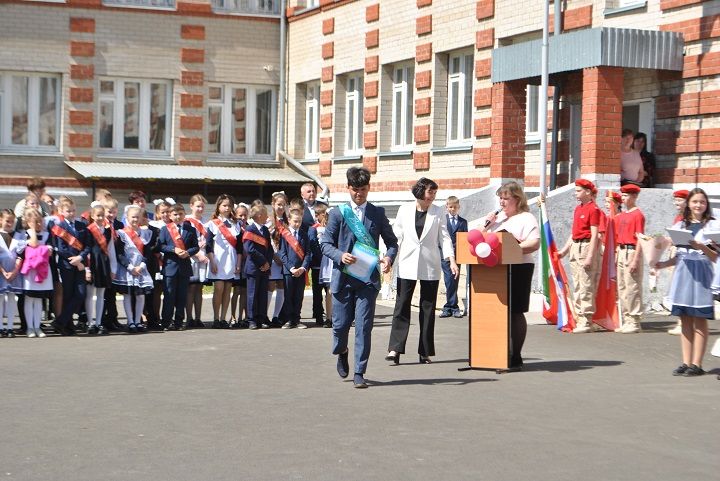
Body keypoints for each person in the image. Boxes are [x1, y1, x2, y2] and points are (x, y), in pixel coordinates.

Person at [321, 167, 398, 388]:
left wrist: (388, 258)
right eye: (355, 190)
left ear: (369, 188)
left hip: (367, 280)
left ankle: (359, 372)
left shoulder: (377, 213)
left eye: (363, 190)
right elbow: (325, 244)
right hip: (343, 279)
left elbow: (392, 243)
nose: (359, 194)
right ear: (348, 188)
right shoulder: (337, 213)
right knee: (340, 326)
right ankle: (342, 350)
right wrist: (340, 255)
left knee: (364, 327)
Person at [386, 178, 458, 365]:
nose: (432, 196)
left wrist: (451, 260)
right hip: (407, 263)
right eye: (430, 192)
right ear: (419, 192)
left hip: (430, 265)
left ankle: (425, 351)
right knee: (401, 306)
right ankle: (395, 349)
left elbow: (445, 237)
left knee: (427, 308)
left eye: (434, 193)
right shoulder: (404, 209)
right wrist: (389, 258)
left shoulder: (438, 211)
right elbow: (397, 236)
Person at [653, 188, 719, 377]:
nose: (698, 205)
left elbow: (716, 257)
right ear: (688, 204)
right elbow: (680, 256)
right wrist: (663, 263)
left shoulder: (712, 226)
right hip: (683, 274)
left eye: (702, 202)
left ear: (707, 205)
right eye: (695, 201)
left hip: (702, 273)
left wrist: (701, 247)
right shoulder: (681, 225)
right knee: (684, 320)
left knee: (699, 320)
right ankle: (686, 361)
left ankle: (697, 364)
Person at [482, 182, 540, 369]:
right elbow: (480, 243)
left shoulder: (526, 218)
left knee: (515, 311)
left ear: (517, 199)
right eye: (500, 197)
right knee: (497, 311)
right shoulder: (497, 220)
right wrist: (487, 225)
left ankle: (515, 355)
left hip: (519, 267)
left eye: (506, 198)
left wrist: (511, 248)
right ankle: (496, 353)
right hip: (497, 269)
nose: (502, 201)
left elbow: (534, 243)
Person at [558, 179, 602, 333]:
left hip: (586, 246)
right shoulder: (578, 209)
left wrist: (590, 255)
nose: (576, 193)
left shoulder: (593, 209)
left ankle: (587, 320)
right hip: (576, 246)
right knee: (577, 284)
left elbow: (595, 233)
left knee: (586, 285)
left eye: (578, 191)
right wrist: (564, 250)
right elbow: (574, 233)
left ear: (588, 192)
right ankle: (579, 317)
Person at [48, 197, 89, 336]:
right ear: (61, 211)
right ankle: (68, 326)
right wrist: (74, 260)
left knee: (81, 294)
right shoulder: (60, 227)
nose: (71, 213)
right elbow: (60, 248)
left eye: (73, 210)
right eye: (68, 211)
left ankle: (59, 321)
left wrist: (81, 258)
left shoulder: (82, 226)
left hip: (79, 264)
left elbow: (88, 245)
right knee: (68, 295)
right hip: (66, 265)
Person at [113, 206, 155, 333]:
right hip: (127, 269)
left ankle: (138, 321)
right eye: (133, 217)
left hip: (141, 268)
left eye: (138, 217)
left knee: (141, 296)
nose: (135, 219)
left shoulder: (146, 234)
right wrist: (130, 267)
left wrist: (141, 266)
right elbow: (119, 254)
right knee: (128, 295)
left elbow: (147, 253)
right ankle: (130, 321)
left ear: (142, 218)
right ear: (126, 218)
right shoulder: (121, 233)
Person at [158, 204, 199, 331]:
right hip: (170, 267)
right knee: (169, 296)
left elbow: (196, 246)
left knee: (182, 296)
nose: (178, 217)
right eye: (175, 214)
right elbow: (161, 246)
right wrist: (173, 249)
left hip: (184, 267)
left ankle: (179, 321)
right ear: (170, 215)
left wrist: (188, 252)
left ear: (184, 214)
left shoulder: (190, 229)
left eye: (180, 214)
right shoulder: (165, 229)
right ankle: (166, 322)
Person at [206, 194, 242, 329]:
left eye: (229, 205)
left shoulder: (236, 224)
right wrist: (212, 261)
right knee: (219, 288)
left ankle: (223, 318)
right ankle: (215, 317)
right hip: (218, 259)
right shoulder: (212, 223)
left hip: (231, 259)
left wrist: (238, 263)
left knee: (228, 289)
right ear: (218, 207)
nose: (227, 208)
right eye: (224, 205)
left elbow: (239, 247)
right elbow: (208, 245)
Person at [614, 184, 645, 334]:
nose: (623, 198)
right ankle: (626, 318)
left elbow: (640, 238)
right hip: (621, 250)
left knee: (632, 286)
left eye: (626, 196)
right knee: (622, 287)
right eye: (622, 195)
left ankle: (634, 320)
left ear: (634, 196)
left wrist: (636, 259)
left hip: (631, 251)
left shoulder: (637, 215)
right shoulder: (623, 215)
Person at [18, 208, 53, 338]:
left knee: (38, 299)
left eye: (40, 221)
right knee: (29, 299)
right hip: (30, 272)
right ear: (28, 222)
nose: (39, 224)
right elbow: (33, 244)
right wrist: (32, 231)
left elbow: (49, 251)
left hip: (42, 272)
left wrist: (40, 249)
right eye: (35, 222)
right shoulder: (24, 234)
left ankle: (38, 327)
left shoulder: (47, 235)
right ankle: (30, 327)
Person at [84, 203, 117, 336]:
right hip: (92, 264)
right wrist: (87, 268)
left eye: (102, 215)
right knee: (90, 294)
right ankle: (90, 322)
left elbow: (111, 250)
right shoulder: (89, 230)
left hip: (104, 264)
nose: (100, 218)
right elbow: (85, 250)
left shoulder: (108, 230)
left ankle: (99, 322)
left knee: (101, 295)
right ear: (92, 216)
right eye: (97, 215)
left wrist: (113, 268)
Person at [278, 208, 312, 329]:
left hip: (301, 271)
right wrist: (291, 268)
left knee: (298, 296)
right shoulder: (285, 235)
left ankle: (296, 319)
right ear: (289, 220)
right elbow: (282, 253)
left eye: (299, 221)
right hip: (289, 271)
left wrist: (303, 268)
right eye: (295, 221)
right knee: (288, 295)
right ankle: (288, 320)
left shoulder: (304, 234)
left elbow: (308, 253)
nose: (297, 224)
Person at [300, 182, 326, 326]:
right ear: (302, 194)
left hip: (318, 253)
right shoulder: (299, 207)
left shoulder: (322, 206)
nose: (311, 193)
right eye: (308, 191)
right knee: (300, 284)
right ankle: (295, 313)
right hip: (302, 251)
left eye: (313, 191)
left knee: (318, 284)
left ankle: (318, 312)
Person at [243, 203, 273, 330]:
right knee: (252, 294)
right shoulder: (250, 229)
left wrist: (268, 263)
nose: (267, 215)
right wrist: (263, 262)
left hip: (264, 268)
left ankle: (261, 318)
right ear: (260, 215)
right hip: (254, 267)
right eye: (266, 213)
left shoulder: (265, 230)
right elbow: (250, 249)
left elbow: (269, 248)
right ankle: (252, 320)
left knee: (262, 294)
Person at [439, 195, 467, 318]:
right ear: (447, 207)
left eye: (455, 207)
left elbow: (465, 238)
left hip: (458, 255)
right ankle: (452, 306)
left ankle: (450, 306)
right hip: (445, 255)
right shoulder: (443, 220)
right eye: (450, 207)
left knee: (454, 279)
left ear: (458, 207)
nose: (452, 209)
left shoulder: (463, 222)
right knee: (449, 279)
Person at [666, 189, 689, 336]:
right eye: (676, 200)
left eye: (680, 200)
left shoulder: (687, 218)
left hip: (686, 257)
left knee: (682, 289)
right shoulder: (678, 218)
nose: (676, 203)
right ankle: (681, 321)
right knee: (676, 288)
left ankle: (683, 323)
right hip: (676, 253)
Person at [185, 194, 209, 329]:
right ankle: (189, 318)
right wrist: (196, 253)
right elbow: (184, 241)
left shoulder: (206, 222)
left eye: (202, 207)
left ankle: (198, 318)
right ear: (191, 206)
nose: (200, 209)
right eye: (198, 206)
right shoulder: (187, 221)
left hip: (203, 258)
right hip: (191, 257)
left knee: (199, 288)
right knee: (191, 287)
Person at [101, 198, 124, 332]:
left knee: (112, 293)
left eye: (114, 212)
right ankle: (104, 320)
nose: (111, 214)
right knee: (105, 293)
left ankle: (113, 318)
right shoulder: (102, 225)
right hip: (105, 262)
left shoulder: (119, 225)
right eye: (109, 212)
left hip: (117, 262)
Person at [0, 209, 23, 337]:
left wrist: (14, 272)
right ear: (0, 220)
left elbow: (20, 255)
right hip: (1, 272)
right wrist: (3, 272)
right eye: (7, 221)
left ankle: (9, 327)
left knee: (11, 299)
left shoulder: (19, 236)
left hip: (14, 271)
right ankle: (0, 327)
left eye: (12, 221)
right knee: (0, 299)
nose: (10, 224)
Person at [267, 192, 288, 328]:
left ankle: (276, 316)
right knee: (270, 285)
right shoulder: (268, 220)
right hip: (272, 258)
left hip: (284, 259)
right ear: (273, 205)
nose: (281, 207)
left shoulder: (287, 221)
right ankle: (265, 315)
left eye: (283, 205)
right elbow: (266, 241)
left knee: (281, 285)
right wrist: (274, 256)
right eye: (278, 204)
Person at [230, 203, 249, 328]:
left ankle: (242, 317)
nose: (242, 217)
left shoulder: (249, 228)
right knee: (236, 291)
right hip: (236, 262)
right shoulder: (233, 228)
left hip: (246, 263)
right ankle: (233, 316)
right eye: (240, 215)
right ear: (235, 216)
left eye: (245, 215)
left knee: (244, 291)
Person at [314, 202, 333, 327]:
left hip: (339, 260)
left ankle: (339, 316)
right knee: (329, 291)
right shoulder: (321, 230)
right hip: (329, 260)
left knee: (338, 290)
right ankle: (329, 317)